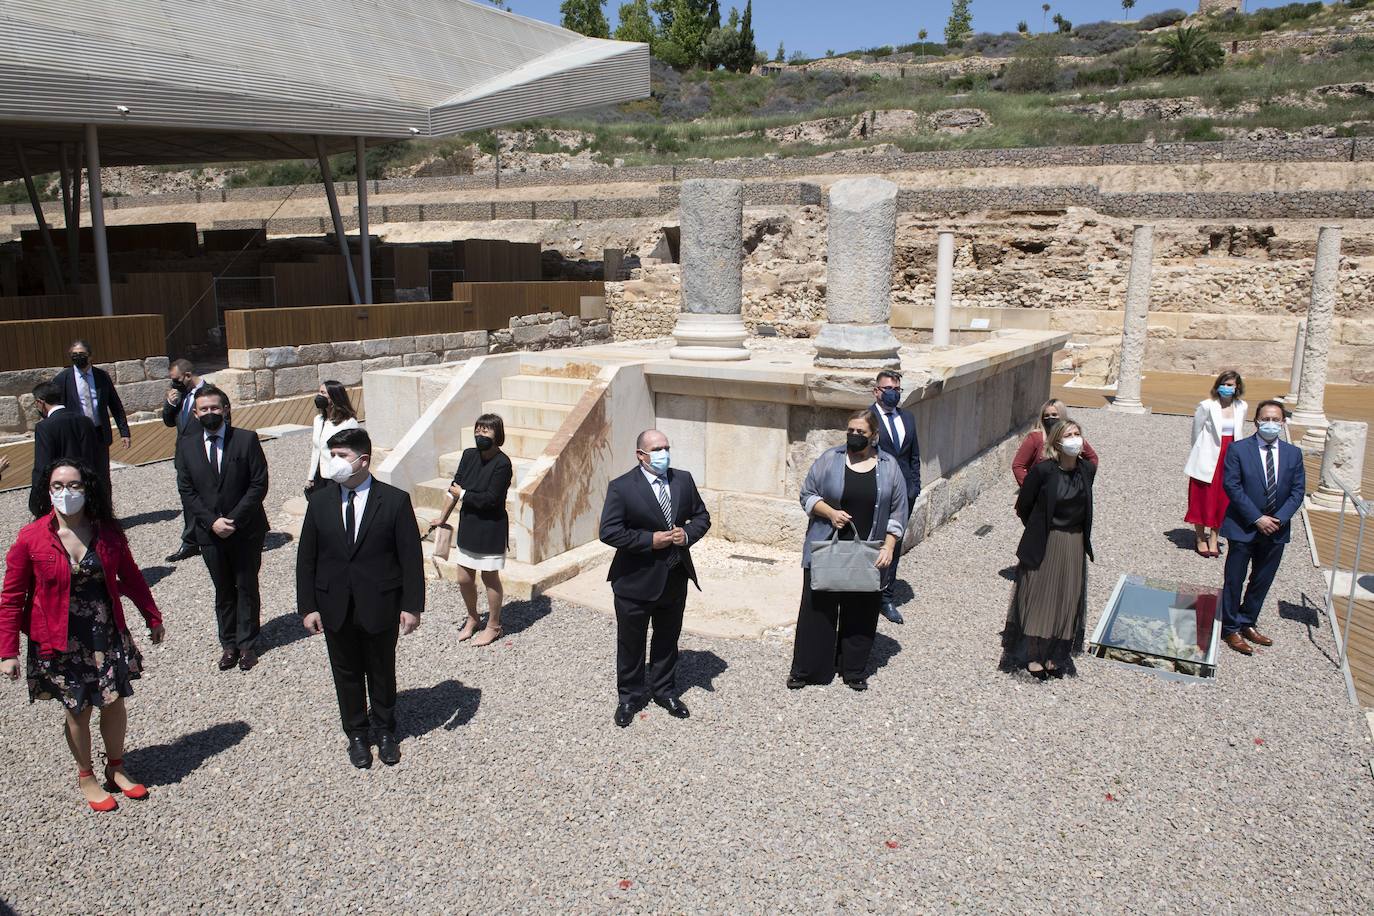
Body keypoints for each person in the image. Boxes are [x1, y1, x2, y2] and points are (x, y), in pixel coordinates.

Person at [0, 459, 164, 812]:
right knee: (78, 710)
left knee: (114, 701)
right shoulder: (31, 538)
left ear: (87, 489)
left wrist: (152, 616)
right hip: (59, 640)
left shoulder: (107, 533)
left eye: (74, 485)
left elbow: (132, 577)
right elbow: (12, 597)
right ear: (48, 491)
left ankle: (116, 767)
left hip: (105, 634)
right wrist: (7, 650)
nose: (66, 493)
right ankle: (86, 774)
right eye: (58, 486)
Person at [297, 428, 424, 768]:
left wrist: (412, 606)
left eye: (341, 456)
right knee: (346, 671)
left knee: (381, 669)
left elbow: (410, 557)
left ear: (363, 460)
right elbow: (307, 556)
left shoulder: (395, 501)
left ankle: (384, 729)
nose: (334, 463)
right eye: (332, 455)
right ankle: (356, 732)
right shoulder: (320, 501)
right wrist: (308, 606)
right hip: (335, 604)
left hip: (380, 603)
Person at [599, 429, 711, 727]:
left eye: (666, 447)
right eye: (656, 449)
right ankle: (630, 697)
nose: (663, 453)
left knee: (667, 638)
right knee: (631, 642)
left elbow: (702, 516)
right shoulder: (622, 487)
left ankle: (665, 690)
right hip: (635, 580)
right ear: (641, 455)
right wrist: (650, 540)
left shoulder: (682, 479)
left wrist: (686, 534)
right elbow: (609, 531)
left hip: (674, 576)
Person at [789, 411, 906, 692]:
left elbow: (898, 511)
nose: (854, 435)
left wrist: (889, 546)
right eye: (851, 430)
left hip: (869, 551)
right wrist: (830, 512)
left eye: (861, 432)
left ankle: (853, 669)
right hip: (827, 547)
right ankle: (808, 669)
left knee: (861, 611)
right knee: (817, 611)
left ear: (874, 435)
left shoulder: (890, 467)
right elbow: (807, 494)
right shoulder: (830, 459)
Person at [175, 386, 269, 672]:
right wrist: (211, 521)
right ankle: (228, 644)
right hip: (209, 532)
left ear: (225, 409)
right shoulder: (187, 445)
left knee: (246, 585)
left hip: (245, 529)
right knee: (223, 589)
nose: (210, 413)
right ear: (195, 413)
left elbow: (258, 484)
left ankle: (247, 645)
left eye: (215, 408)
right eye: (204, 409)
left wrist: (234, 520)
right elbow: (186, 489)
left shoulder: (245, 439)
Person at [1001, 419, 1096, 680]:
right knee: (1040, 595)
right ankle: (1033, 653)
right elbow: (1024, 505)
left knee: (1066, 596)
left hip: (1074, 542)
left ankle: (1056, 652)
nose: (1075, 439)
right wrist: (1039, 526)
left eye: (1078, 434)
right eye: (1069, 435)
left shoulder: (1087, 470)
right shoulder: (1043, 471)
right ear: (1056, 442)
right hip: (1047, 539)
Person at [1218, 400, 1305, 656]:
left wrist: (1279, 518)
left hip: (1276, 528)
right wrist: (1257, 518)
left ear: (1283, 422)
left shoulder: (1293, 454)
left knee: (1262, 580)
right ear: (1256, 421)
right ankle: (1231, 627)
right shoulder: (1239, 450)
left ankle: (1248, 621)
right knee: (1235, 578)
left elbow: (1298, 490)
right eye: (1265, 419)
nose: (1270, 423)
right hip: (1244, 525)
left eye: (1275, 419)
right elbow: (1232, 486)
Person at [438, 414, 512, 646]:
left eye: (486, 431)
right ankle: (473, 617)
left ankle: (494, 625)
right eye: (478, 430)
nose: (480, 435)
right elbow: (454, 487)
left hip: (490, 527)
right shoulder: (469, 455)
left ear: (497, 435)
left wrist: (465, 495)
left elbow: (491, 499)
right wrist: (441, 518)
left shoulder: (503, 463)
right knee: (463, 577)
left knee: (490, 578)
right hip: (469, 523)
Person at [868, 370, 920, 625]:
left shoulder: (907, 418)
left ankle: (886, 596)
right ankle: (865, 592)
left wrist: (915, 486)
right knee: (871, 542)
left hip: (905, 494)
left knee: (894, 545)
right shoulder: (869, 419)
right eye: (889, 388)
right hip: (879, 491)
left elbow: (913, 455)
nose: (893, 393)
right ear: (877, 390)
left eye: (897, 389)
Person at [1184, 370, 1248, 558]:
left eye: (1231, 385)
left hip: (1230, 456)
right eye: (1224, 384)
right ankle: (1199, 537)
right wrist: (1199, 454)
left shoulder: (1242, 406)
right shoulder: (1206, 406)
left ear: (1237, 387)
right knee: (1203, 496)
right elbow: (1196, 432)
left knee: (1223, 498)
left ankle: (1214, 537)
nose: (1227, 388)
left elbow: (1240, 430)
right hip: (1208, 455)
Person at [52, 339, 129, 481]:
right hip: (75, 436)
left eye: (81, 354)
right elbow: (55, 409)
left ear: (90, 356)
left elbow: (115, 406)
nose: (78, 357)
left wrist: (124, 432)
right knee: (79, 476)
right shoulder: (62, 379)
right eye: (74, 354)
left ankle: (103, 503)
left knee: (102, 476)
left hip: (99, 433)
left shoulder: (102, 377)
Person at [29, 381, 100, 518]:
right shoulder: (85, 421)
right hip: (85, 486)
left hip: (61, 490)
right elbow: (95, 456)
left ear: (40, 402)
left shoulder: (45, 427)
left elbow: (43, 465)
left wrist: (36, 499)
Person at [161, 359, 206, 563]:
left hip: (204, 455)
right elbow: (169, 422)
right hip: (183, 456)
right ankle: (190, 542)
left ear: (188, 376)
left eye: (176, 379)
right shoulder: (180, 395)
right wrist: (170, 403)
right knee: (187, 497)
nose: (174, 384)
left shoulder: (210, 394)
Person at [1011, 399, 1100, 486]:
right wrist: (1030, 487)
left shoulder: (1073, 437)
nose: (1050, 419)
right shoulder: (1036, 438)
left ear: (1062, 415)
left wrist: (1084, 479)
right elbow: (1018, 465)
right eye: (1046, 416)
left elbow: (1092, 458)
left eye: (1054, 415)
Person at [305, 380, 359, 495]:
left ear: (334, 397)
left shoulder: (348, 423)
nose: (319, 396)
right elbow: (316, 449)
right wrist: (310, 476)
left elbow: (353, 453)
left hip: (337, 477)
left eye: (323, 393)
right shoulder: (318, 420)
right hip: (320, 476)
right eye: (319, 392)